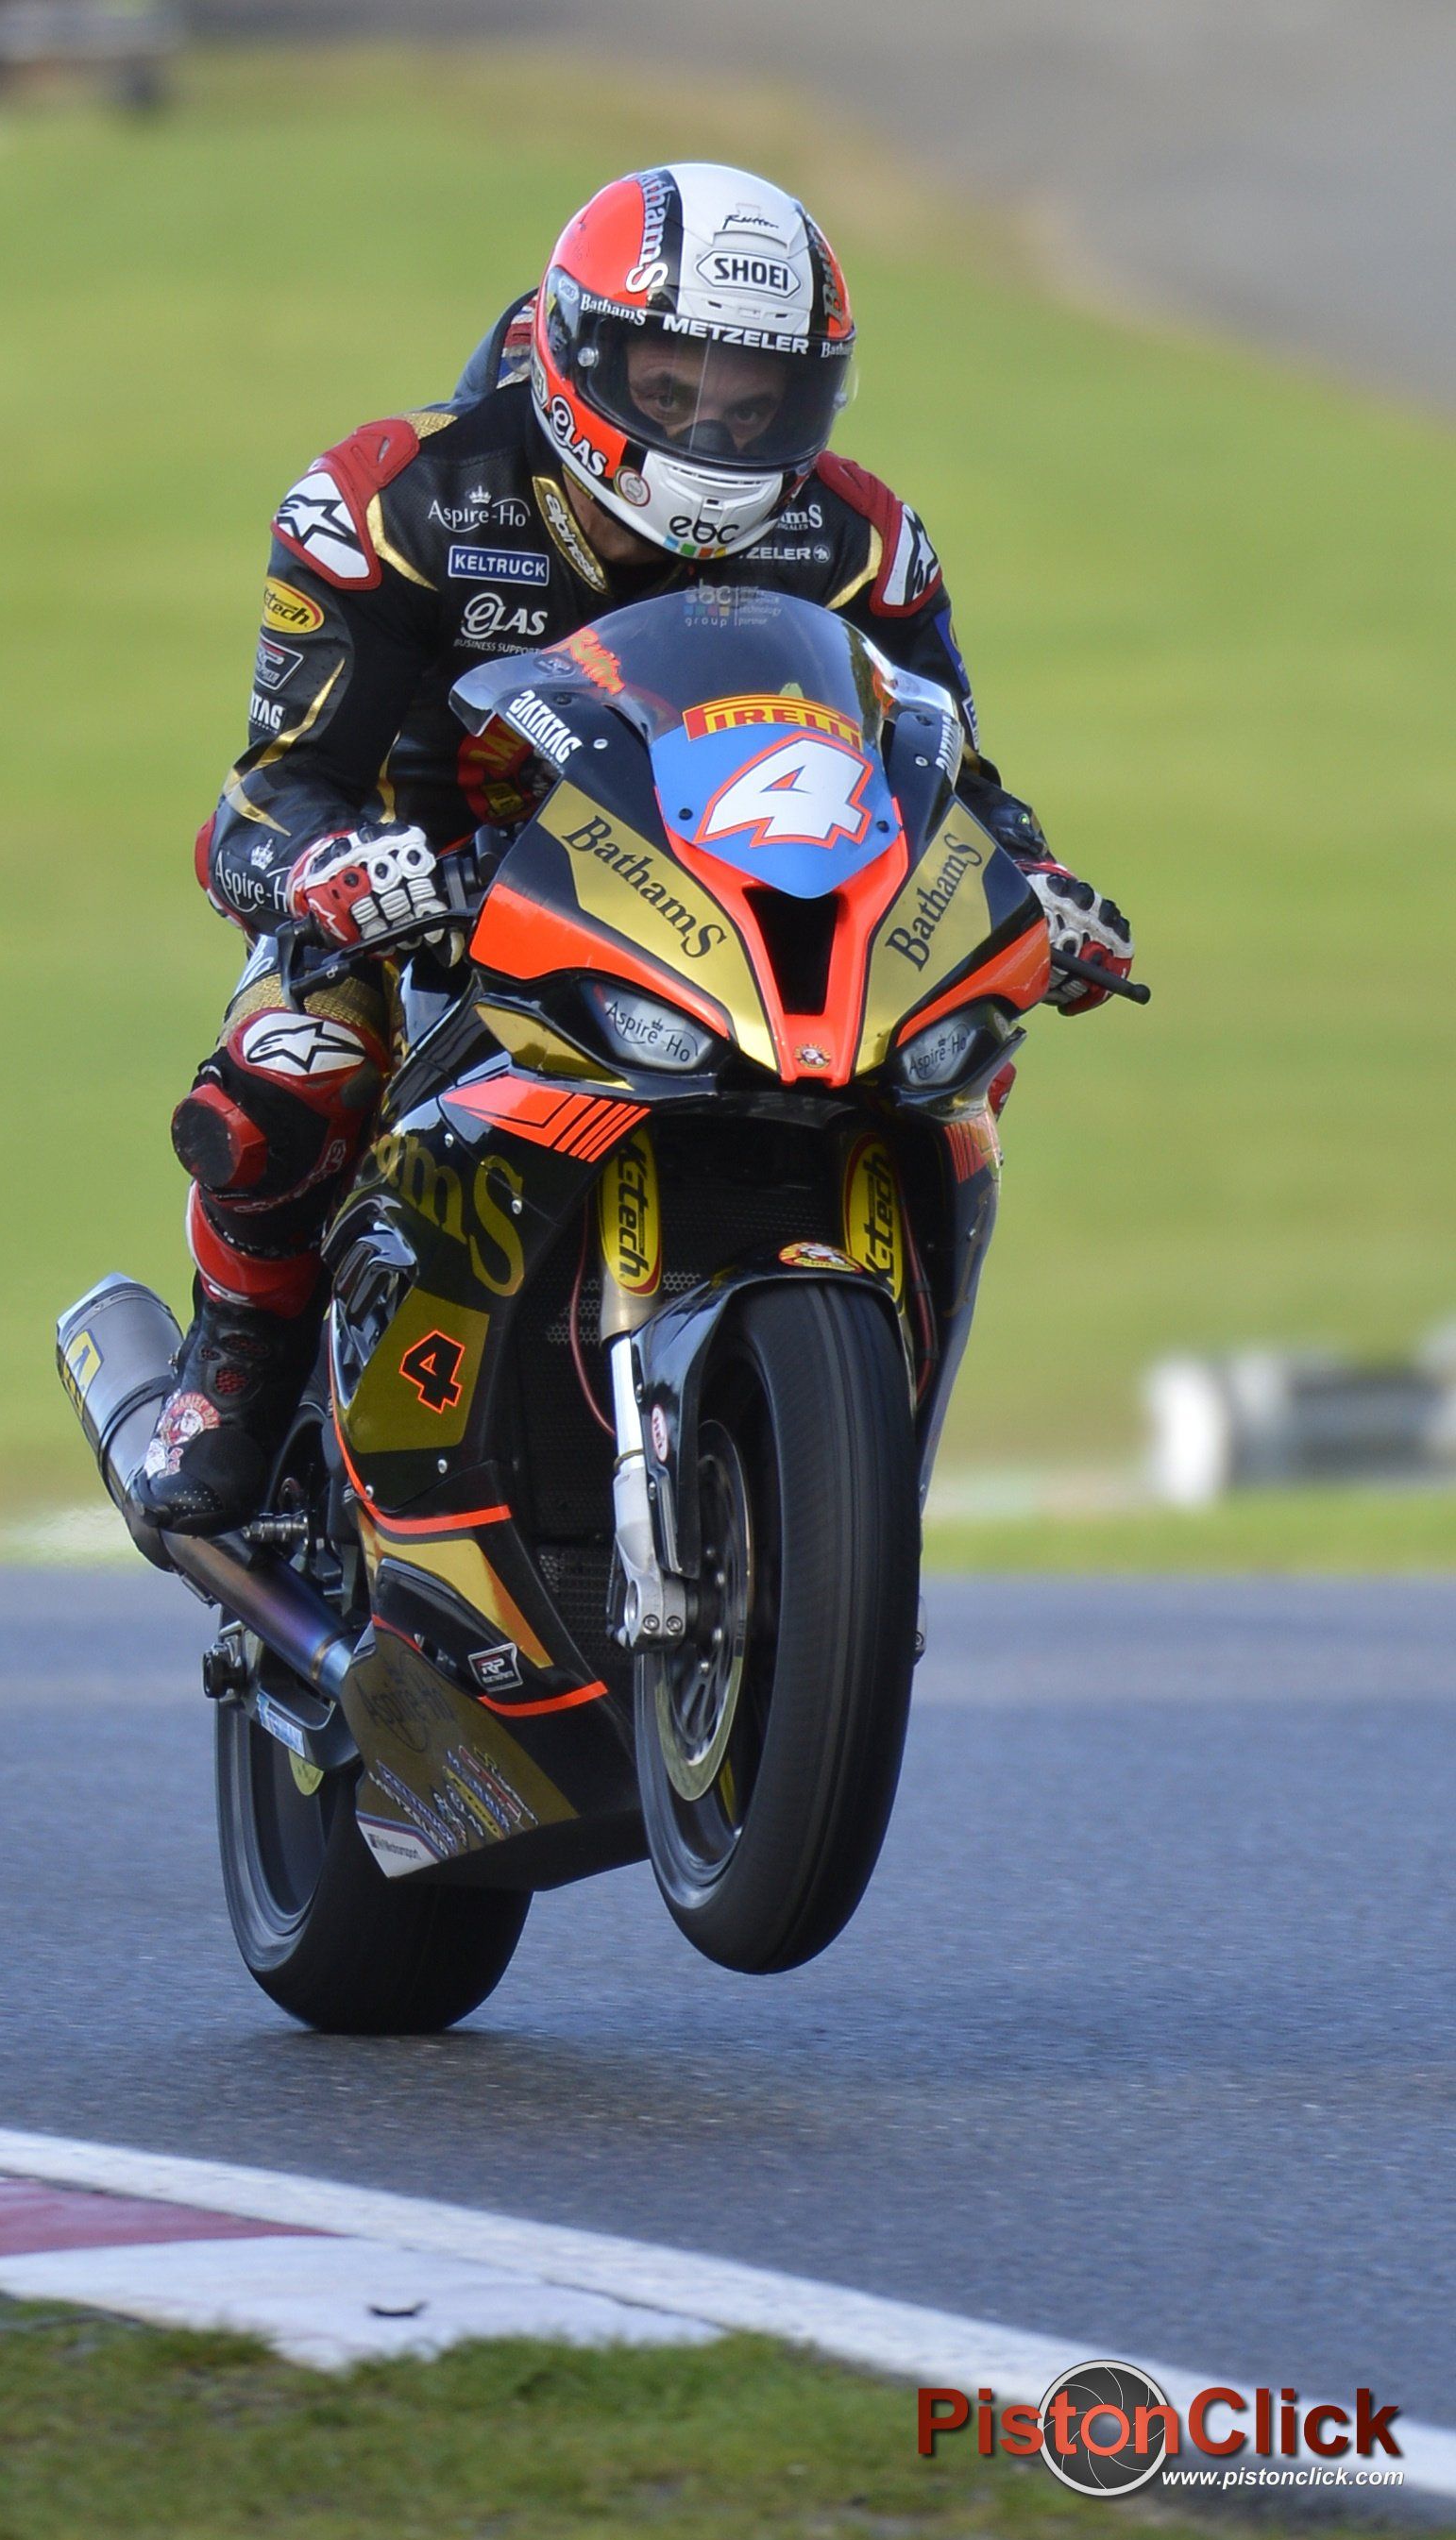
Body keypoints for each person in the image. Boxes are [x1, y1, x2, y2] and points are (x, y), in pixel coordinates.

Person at [133, 162, 1133, 1534]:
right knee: (291, 1074)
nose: (714, 422)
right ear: (581, 353)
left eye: (753, 396)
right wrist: (331, 872)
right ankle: (235, 1366)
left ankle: (838, 1453)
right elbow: (268, 797)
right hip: (436, 898)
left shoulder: (861, 542)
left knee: (951, 1070)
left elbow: (950, 773)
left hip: (736, 903)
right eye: (674, 388)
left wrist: (1040, 886)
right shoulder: (396, 500)